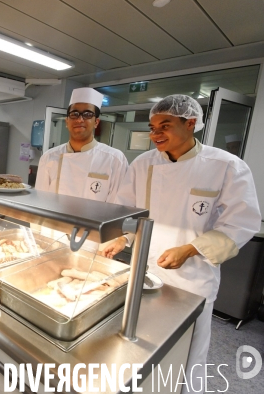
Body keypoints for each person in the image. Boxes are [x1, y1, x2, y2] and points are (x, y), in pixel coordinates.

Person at [103, 95, 261, 394]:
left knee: (189, 351)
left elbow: (242, 223)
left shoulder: (225, 166)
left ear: (191, 124)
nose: (156, 134)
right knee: (144, 343)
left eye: (165, 125)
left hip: (193, 279)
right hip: (145, 272)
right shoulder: (143, 164)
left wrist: (190, 249)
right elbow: (130, 211)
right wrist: (122, 238)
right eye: (152, 127)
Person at [34, 87, 128, 249]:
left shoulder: (114, 159)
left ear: (96, 122)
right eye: (74, 114)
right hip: (52, 238)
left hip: (93, 242)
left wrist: (107, 246)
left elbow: (117, 208)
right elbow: (38, 204)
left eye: (87, 114)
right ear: (67, 122)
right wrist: (37, 238)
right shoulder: (50, 157)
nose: (80, 119)